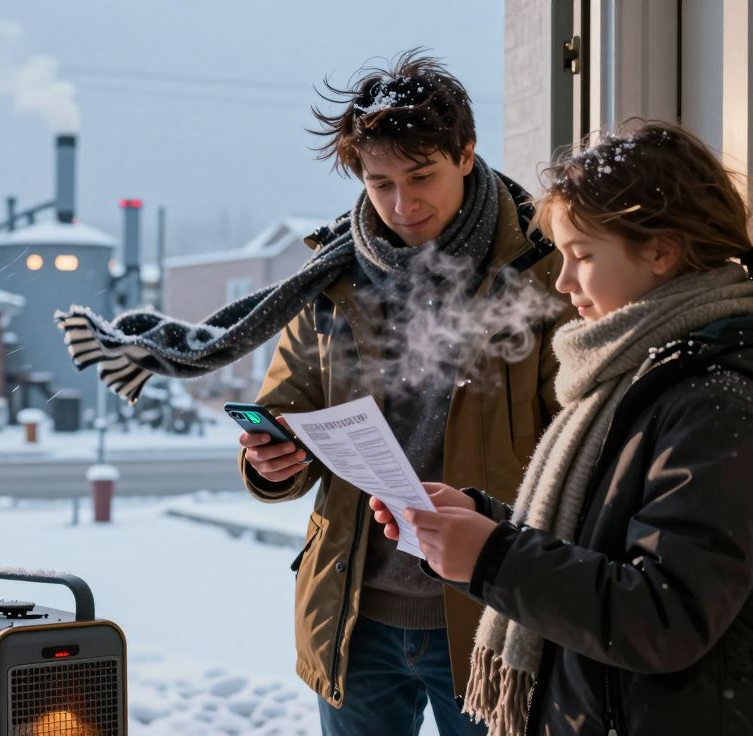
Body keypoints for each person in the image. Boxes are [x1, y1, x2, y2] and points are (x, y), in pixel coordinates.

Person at [372, 121, 753, 735]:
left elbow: (664, 616)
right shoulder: (640, 378)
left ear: (661, 251)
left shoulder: (720, 406)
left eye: (581, 255)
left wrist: (492, 557)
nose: (561, 282)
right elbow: (604, 548)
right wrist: (481, 523)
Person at [237, 51, 572, 735]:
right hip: (355, 616)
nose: (402, 204)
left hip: (490, 615)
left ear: (468, 153)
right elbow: (288, 403)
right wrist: (269, 460)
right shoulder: (333, 271)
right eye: (380, 181)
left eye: (422, 177)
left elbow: (576, 444)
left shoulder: (543, 265)